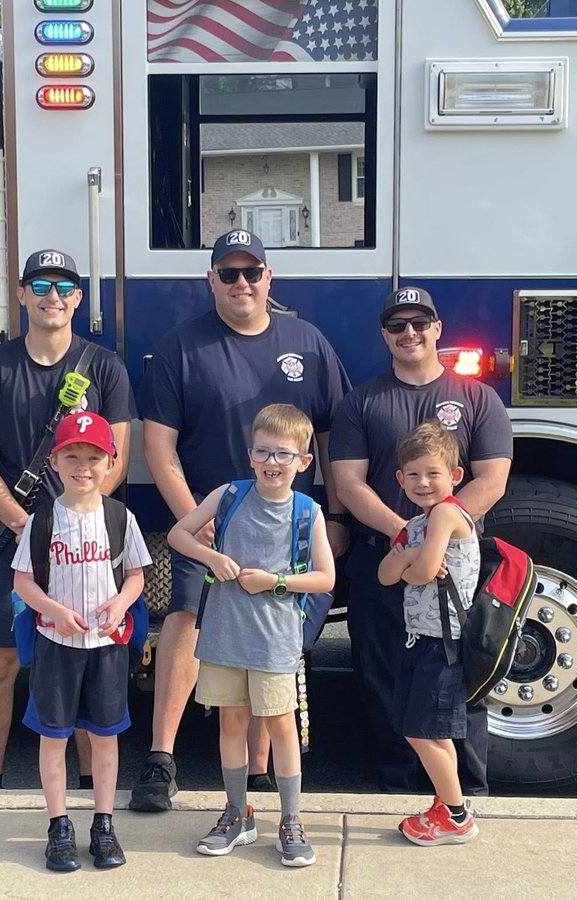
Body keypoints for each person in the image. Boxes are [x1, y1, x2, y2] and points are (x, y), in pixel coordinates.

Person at [130, 228, 351, 812]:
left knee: (271, 639)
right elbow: (159, 449)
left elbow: (330, 440)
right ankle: (161, 757)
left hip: (286, 528)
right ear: (211, 282)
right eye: (228, 274)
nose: (241, 283)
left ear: (268, 278)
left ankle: (256, 775)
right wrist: (195, 525)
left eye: (251, 272)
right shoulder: (182, 347)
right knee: (186, 617)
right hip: (211, 522)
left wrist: (332, 514)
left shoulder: (308, 343)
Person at [0, 248, 136, 791]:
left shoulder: (105, 368)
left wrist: (72, 521)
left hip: (86, 539)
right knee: (0, 664)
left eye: (63, 287)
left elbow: (120, 458)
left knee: (82, 660)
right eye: (39, 286)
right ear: (21, 296)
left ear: (78, 298)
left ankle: (86, 787)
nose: (51, 297)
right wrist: (24, 525)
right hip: (16, 538)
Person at [330, 287, 512, 795]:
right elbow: (348, 482)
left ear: (437, 330)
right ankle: (397, 788)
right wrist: (402, 534)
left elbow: (492, 480)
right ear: (384, 335)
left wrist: (435, 531)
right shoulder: (361, 401)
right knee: (384, 679)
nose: (409, 333)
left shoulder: (479, 399)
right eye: (397, 325)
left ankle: (464, 796)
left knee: (458, 684)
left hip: (452, 573)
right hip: (382, 560)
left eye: (419, 323)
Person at [168, 404, 335, 867]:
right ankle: (237, 813)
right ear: (250, 455)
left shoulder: (308, 511)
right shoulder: (228, 495)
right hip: (224, 634)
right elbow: (179, 535)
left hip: (275, 640)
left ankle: (291, 820)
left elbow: (325, 577)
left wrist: (275, 581)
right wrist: (210, 556)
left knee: (282, 727)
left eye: (284, 454)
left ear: (304, 461)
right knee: (231, 723)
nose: (272, 462)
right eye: (263, 451)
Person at [12, 412, 152, 871]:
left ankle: (104, 824)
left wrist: (120, 605)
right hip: (57, 644)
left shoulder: (120, 517)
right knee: (54, 738)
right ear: (54, 461)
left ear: (110, 462)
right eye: (72, 455)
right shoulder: (43, 519)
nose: (83, 466)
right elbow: (23, 583)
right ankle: (58, 827)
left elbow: (136, 576)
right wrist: (53, 611)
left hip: (107, 646)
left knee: (105, 736)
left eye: (94, 457)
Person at [377, 422, 480, 845]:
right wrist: (413, 558)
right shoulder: (417, 524)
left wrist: (411, 561)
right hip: (420, 640)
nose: (423, 483)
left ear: (455, 476)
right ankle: (447, 801)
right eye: (413, 474)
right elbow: (385, 575)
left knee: (420, 731)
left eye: (433, 473)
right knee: (431, 731)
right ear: (400, 479)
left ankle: (456, 817)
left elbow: (413, 571)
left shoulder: (446, 514)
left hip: (444, 644)